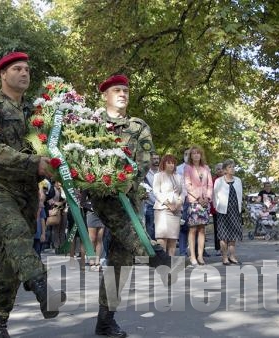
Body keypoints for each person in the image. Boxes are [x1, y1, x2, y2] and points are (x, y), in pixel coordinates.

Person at [0, 51, 66, 337]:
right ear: (3, 74)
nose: (24, 73)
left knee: (13, 257)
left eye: (27, 69)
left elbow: (48, 147)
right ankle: (41, 287)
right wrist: (34, 163)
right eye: (17, 69)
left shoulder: (36, 113)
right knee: (17, 236)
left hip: (26, 190)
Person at [88, 74, 180, 338]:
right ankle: (159, 258)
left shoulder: (138, 126)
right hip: (102, 195)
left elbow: (144, 159)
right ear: (105, 95)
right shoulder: (89, 123)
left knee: (120, 260)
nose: (123, 94)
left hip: (129, 194)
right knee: (129, 231)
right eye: (117, 90)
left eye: (126, 91)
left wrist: (127, 181)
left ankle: (105, 320)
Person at [184, 146, 213, 266]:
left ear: (201, 155)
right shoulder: (188, 168)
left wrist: (207, 197)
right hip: (194, 202)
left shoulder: (205, 168)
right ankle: (192, 256)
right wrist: (198, 197)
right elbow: (187, 184)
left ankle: (200, 256)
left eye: (198, 153)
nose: (196, 155)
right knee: (193, 229)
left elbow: (210, 184)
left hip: (205, 203)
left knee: (202, 229)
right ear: (190, 156)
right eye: (193, 153)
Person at [213, 159, 243, 266]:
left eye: (233, 167)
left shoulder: (238, 180)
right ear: (225, 169)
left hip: (235, 211)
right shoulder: (219, 181)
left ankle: (232, 256)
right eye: (230, 167)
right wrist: (217, 208)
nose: (232, 169)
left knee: (233, 235)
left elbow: (240, 195)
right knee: (223, 235)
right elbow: (215, 196)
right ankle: (224, 257)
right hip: (222, 211)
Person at [152, 154, 183, 257]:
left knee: (173, 238)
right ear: (164, 164)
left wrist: (179, 202)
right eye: (168, 163)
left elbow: (184, 192)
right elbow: (156, 192)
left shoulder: (178, 176)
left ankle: (171, 264)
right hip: (162, 210)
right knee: (162, 238)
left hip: (176, 210)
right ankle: (162, 264)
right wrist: (168, 204)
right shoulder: (158, 175)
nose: (171, 165)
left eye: (173, 163)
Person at [176, 148, 190, 257]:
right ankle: (182, 251)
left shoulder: (200, 168)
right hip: (184, 200)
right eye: (185, 154)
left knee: (197, 227)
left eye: (189, 154)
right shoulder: (178, 169)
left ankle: (198, 252)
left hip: (197, 201)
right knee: (183, 226)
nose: (187, 156)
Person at [143, 152, 160, 240]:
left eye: (157, 158)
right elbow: (146, 190)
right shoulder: (145, 173)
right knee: (149, 228)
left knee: (158, 229)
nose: (156, 161)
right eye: (154, 159)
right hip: (149, 204)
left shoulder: (161, 172)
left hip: (161, 204)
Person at [210, 162, 224, 256]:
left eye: (221, 168)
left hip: (226, 207)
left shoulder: (227, 179)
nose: (220, 170)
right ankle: (218, 248)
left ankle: (225, 247)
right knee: (217, 229)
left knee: (225, 228)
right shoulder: (213, 179)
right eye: (218, 169)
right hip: (216, 208)